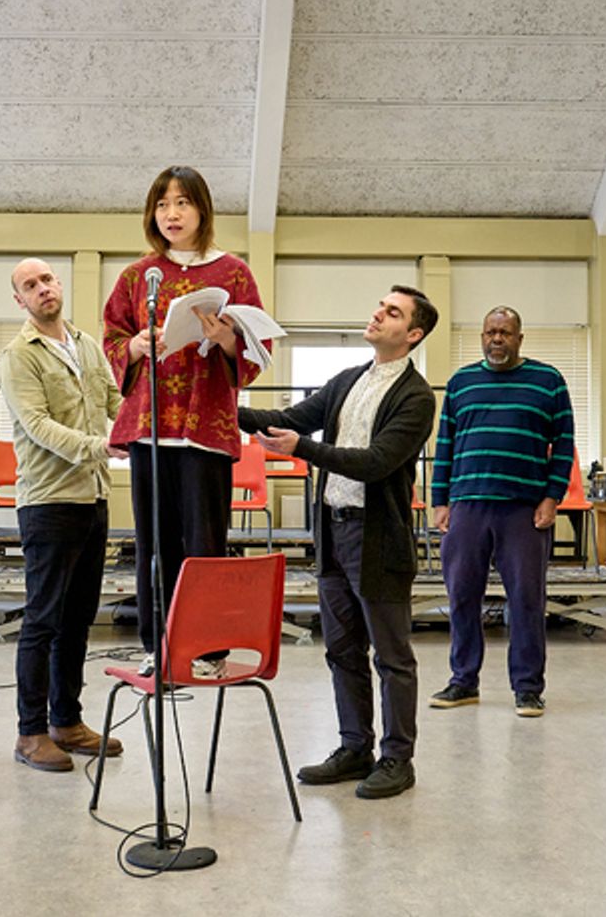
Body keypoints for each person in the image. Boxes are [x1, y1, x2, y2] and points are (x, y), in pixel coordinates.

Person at [238, 286, 437, 800]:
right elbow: (286, 420)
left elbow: (376, 462)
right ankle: (355, 749)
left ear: (413, 334)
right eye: (379, 305)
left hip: (378, 539)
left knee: (391, 658)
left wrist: (305, 449)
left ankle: (397, 759)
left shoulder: (416, 397)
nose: (377, 314)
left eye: (392, 312)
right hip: (332, 531)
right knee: (343, 651)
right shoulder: (347, 381)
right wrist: (222, 404)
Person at [102, 165, 267, 679]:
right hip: (152, 427)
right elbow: (111, 337)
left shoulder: (233, 272)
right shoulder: (137, 276)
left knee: (205, 545)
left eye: (182, 203)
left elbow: (257, 351)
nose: (171, 214)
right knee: (153, 542)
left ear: (202, 209)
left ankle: (211, 649)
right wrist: (133, 346)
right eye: (162, 204)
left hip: (206, 430)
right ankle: (160, 647)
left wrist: (225, 342)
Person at [0, 258, 127, 772]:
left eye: (47, 279)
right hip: (48, 501)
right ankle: (30, 733)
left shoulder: (87, 345)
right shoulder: (18, 356)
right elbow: (36, 425)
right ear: (20, 300)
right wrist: (105, 445)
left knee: (78, 620)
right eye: (30, 285)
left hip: (93, 498)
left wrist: (144, 422)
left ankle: (66, 721)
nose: (43, 289)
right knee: (43, 620)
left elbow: (117, 400)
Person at [428, 306, 575, 718]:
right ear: (482, 336)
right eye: (490, 332)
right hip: (467, 507)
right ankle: (463, 681)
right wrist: (441, 501)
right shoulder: (461, 383)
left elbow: (563, 445)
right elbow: (445, 446)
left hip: (523, 510)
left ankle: (527, 688)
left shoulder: (548, 382)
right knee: (461, 598)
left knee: (527, 600)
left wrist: (551, 497)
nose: (497, 339)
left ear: (519, 338)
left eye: (505, 333)